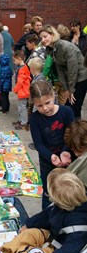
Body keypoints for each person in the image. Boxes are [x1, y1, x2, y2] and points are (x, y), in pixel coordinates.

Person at [0, 169, 87, 253]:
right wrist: (28, 225)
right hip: (51, 237)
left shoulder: (79, 225)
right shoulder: (62, 205)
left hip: (59, 250)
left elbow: (72, 247)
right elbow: (46, 215)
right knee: (29, 234)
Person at [29, 80, 74, 209]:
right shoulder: (35, 118)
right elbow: (38, 144)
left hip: (68, 160)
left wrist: (66, 151)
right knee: (48, 192)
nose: (45, 108)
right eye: (39, 106)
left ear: (53, 96)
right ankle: (47, 220)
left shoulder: (66, 112)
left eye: (47, 103)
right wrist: (51, 157)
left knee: (68, 189)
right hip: (47, 163)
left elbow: (71, 136)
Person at [40, 24, 87, 119]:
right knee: (69, 106)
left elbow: (72, 70)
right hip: (72, 79)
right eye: (41, 38)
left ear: (52, 34)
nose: (43, 40)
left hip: (81, 78)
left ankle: (77, 130)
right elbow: (60, 70)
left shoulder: (65, 46)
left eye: (45, 36)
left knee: (74, 107)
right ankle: (72, 128)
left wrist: (71, 90)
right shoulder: (52, 49)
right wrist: (66, 89)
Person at [12, 50, 31, 130]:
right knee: (20, 107)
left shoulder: (22, 68)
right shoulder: (23, 67)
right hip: (22, 91)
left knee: (22, 107)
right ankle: (21, 120)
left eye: (14, 60)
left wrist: (15, 89)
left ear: (19, 59)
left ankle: (23, 123)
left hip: (23, 91)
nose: (13, 62)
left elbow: (20, 82)